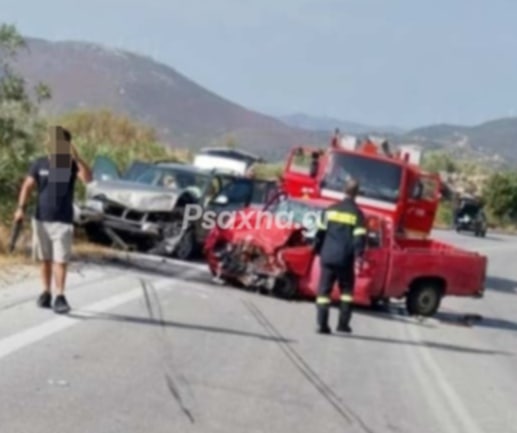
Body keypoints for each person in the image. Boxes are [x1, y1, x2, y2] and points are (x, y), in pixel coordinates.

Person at [13, 126, 92, 314]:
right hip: (41, 219)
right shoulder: (39, 163)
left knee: (60, 260)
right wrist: (20, 209)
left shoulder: (71, 165)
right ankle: (46, 292)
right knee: (45, 259)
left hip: (63, 221)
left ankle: (60, 296)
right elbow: (27, 187)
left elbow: (88, 178)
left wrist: (76, 156)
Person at [312, 177, 367, 334]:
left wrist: (317, 250)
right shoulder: (357, 214)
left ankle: (321, 325)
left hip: (327, 256)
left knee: (323, 292)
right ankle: (343, 324)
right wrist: (359, 257)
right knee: (347, 292)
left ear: (344, 191)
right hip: (345, 259)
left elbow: (319, 234)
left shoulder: (330, 210)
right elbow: (359, 239)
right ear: (356, 194)